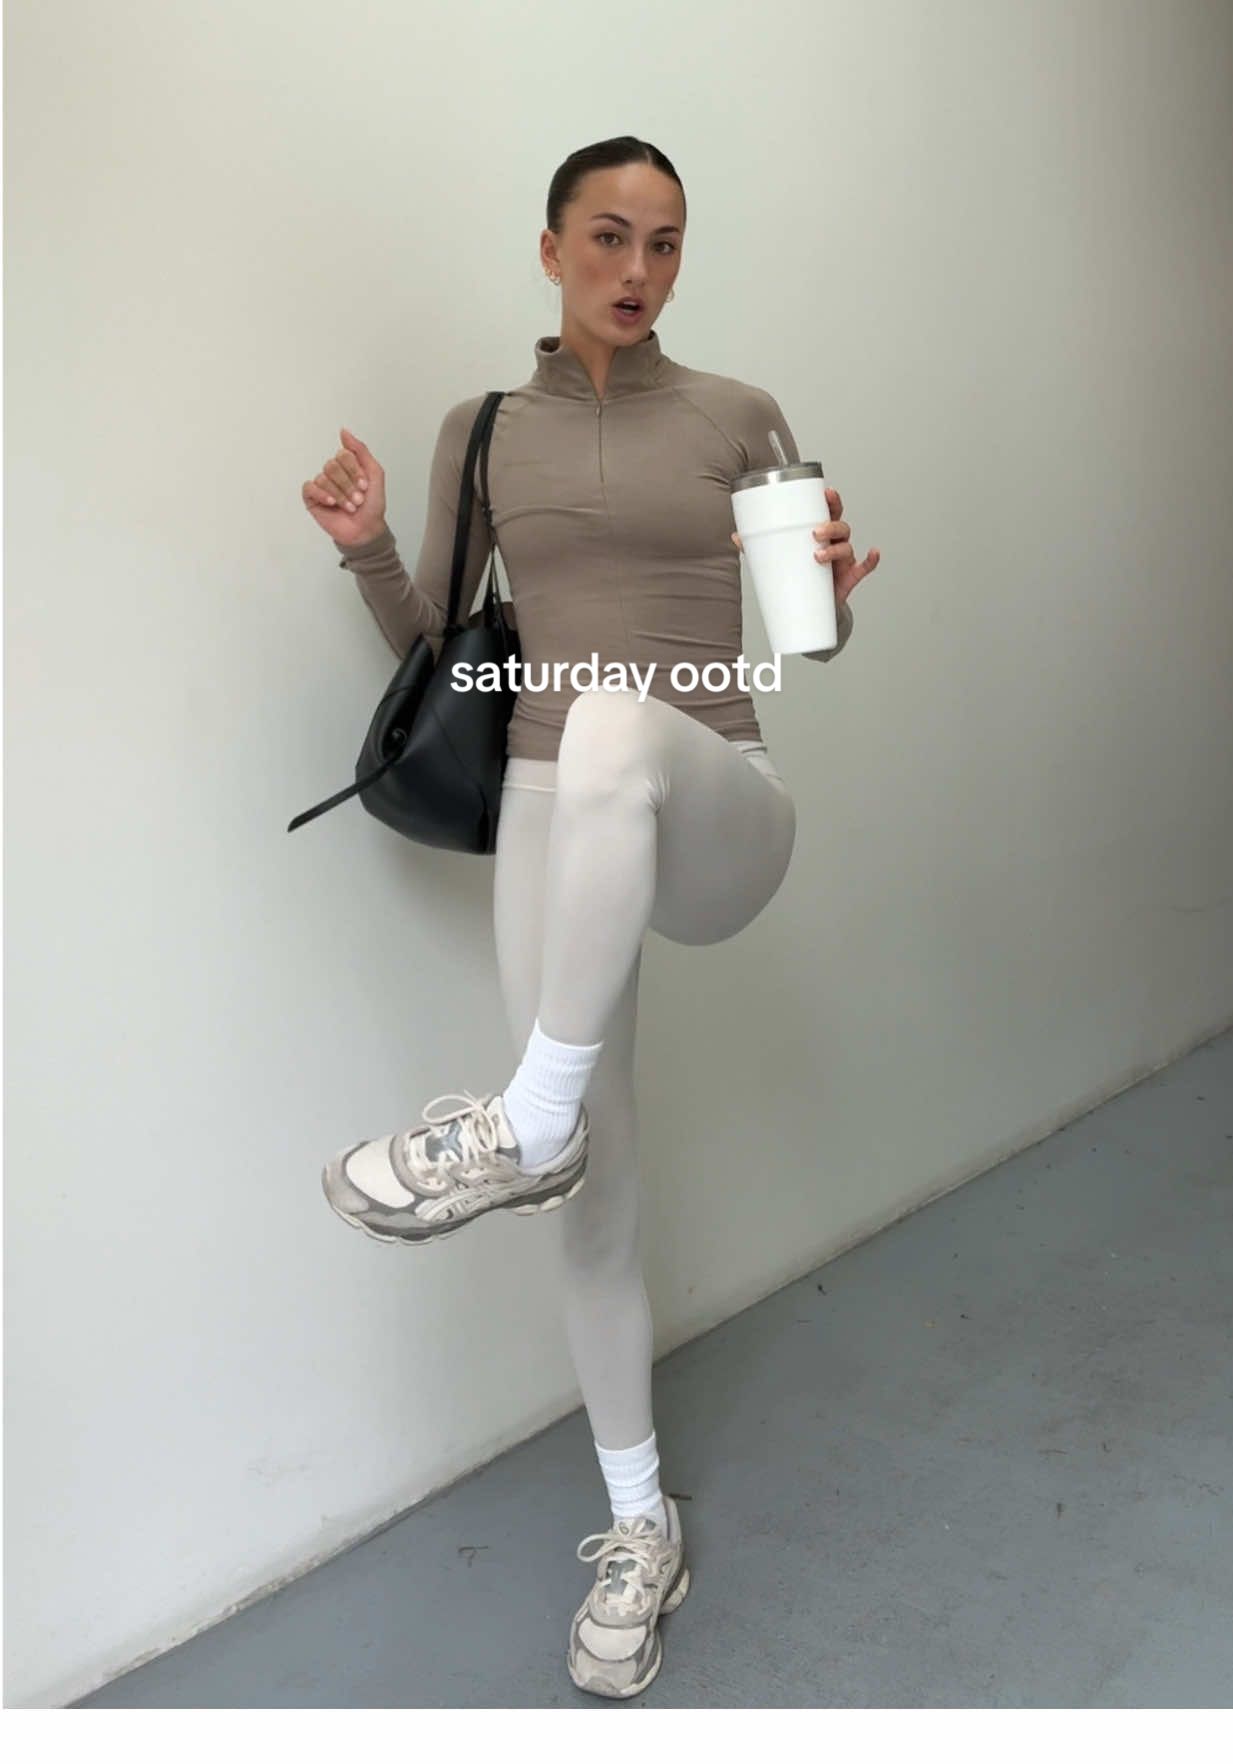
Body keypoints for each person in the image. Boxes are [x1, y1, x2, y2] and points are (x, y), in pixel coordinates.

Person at [300, 135, 880, 1701]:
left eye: (666, 242)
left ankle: (519, 1116)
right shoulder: (483, 430)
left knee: (618, 717)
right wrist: (366, 551)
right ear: (551, 249)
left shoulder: (737, 413)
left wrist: (831, 601)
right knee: (594, 1199)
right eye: (610, 237)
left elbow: (802, 635)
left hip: (712, 794)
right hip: (554, 817)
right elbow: (444, 638)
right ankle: (639, 1529)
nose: (638, 270)